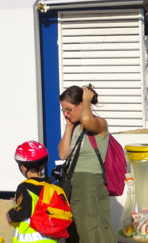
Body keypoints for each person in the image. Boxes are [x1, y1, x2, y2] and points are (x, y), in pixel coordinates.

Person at [58, 85, 115, 243]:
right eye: (63, 110)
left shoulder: (99, 124)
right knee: (74, 233)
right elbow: (63, 153)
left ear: (82, 105)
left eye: (68, 109)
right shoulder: (75, 127)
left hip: (90, 185)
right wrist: (69, 127)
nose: (66, 114)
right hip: (72, 185)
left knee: (92, 233)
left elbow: (86, 119)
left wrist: (86, 100)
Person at [7, 141, 55, 243]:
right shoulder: (50, 183)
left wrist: (10, 215)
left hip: (31, 239)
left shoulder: (24, 187)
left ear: (23, 167)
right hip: (50, 238)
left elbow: (23, 212)